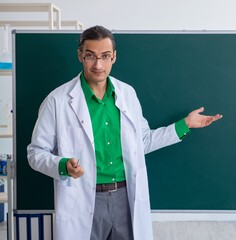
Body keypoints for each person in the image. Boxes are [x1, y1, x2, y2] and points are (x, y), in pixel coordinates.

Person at [27, 25, 222, 240]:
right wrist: (63, 165)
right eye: (91, 56)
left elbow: (143, 141)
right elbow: (35, 153)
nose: (98, 64)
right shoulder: (58, 100)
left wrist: (185, 124)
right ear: (80, 55)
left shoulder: (127, 94)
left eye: (105, 56)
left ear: (114, 57)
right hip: (83, 197)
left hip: (126, 198)